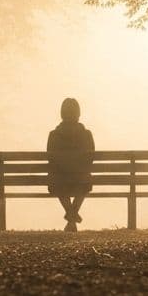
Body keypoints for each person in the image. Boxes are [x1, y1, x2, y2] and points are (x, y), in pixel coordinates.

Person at [47, 97, 94, 232]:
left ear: (62, 113)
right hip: (81, 180)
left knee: (56, 183)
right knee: (85, 183)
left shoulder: (54, 135)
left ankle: (71, 218)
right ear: (78, 113)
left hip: (60, 180)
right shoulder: (86, 134)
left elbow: (50, 158)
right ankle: (72, 217)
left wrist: (63, 168)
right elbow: (91, 158)